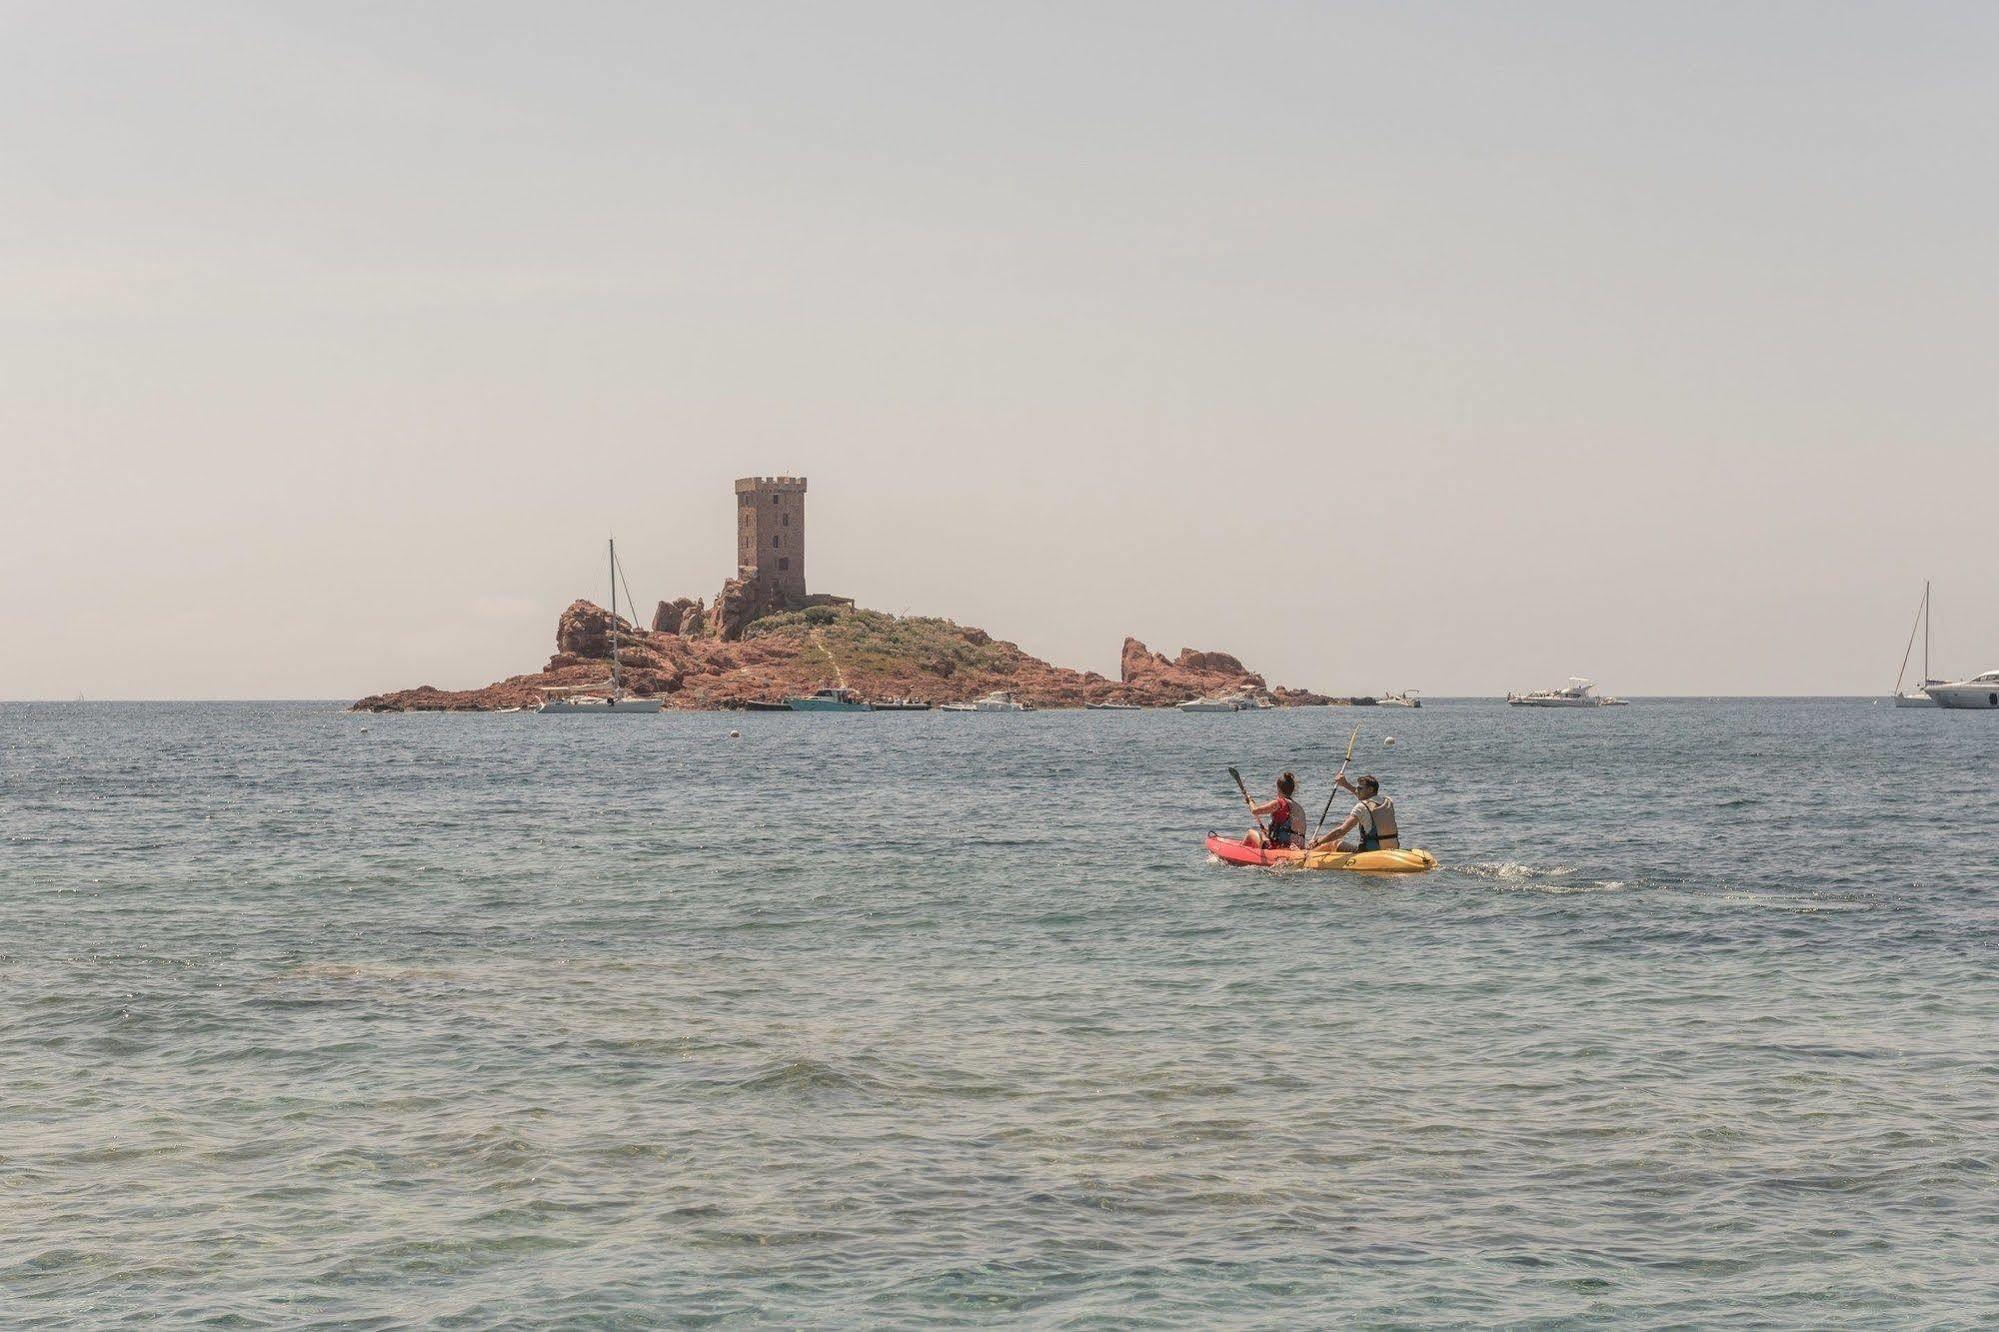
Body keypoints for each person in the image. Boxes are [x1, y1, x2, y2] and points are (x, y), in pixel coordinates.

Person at [1310, 773, 1400, 852]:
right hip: (1393, 849)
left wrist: (1318, 841)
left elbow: (1341, 832)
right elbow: (1365, 797)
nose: (1356, 791)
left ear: (1370, 790)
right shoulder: (1388, 802)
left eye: (1360, 788)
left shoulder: (1361, 807)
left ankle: (1308, 852)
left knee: (1334, 843)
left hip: (1370, 852)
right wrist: (1345, 784)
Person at [1244, 771, 1302, 849]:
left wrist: (1250, 801)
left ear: (1279, 788)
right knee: (1263, 835)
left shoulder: (1279, 803)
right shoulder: (1297, 807)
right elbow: (1287, 830)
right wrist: (1268, 831)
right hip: (1293, 847)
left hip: (1276, 847)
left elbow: (1254, 810)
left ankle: (1240, 852)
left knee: (1250, 833)